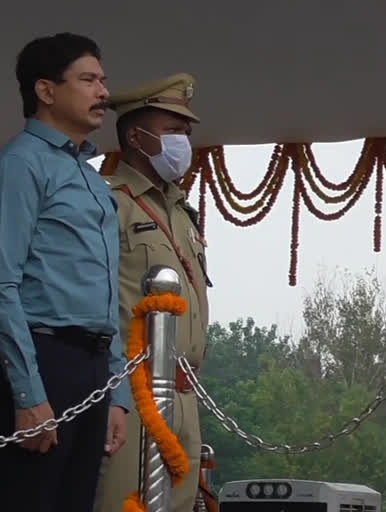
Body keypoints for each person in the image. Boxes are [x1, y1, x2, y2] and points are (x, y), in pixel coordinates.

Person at [0, 33, 130, 511]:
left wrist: (117, 394)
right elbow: (2, 282)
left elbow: (106, 294)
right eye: (88, 79)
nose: (103, 92)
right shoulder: (20, 165)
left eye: (103, 80)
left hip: (92, 367)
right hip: (41, 358)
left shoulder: (91, 177)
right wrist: (29, 393)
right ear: (46, 90)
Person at [94, 73, 211, 512]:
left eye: (186, 132)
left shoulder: (182, 209)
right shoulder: (110, 201)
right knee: (121, 503)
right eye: (172, 131)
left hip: (185, 390)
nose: (183, 142)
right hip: (131, 392)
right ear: (135, 136)